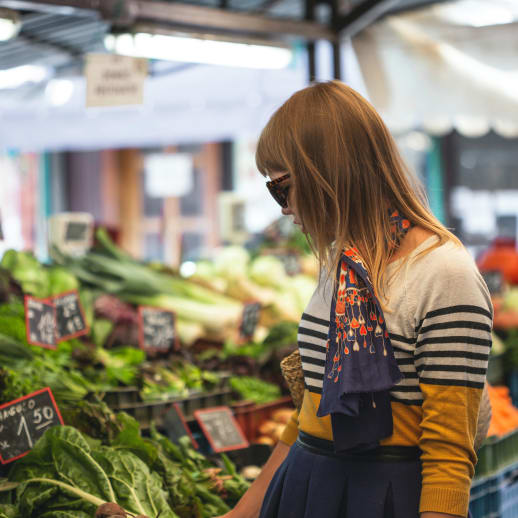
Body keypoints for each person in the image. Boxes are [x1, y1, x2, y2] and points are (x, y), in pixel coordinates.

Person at [216, 81, 492, 518]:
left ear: (328, 173)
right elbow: (310, 411)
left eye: (281, 187)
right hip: (305, 483)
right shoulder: (343, 264)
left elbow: (448, 453)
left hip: (384, 495)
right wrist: (242, 512)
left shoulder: (444, 273)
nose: (284, 208)